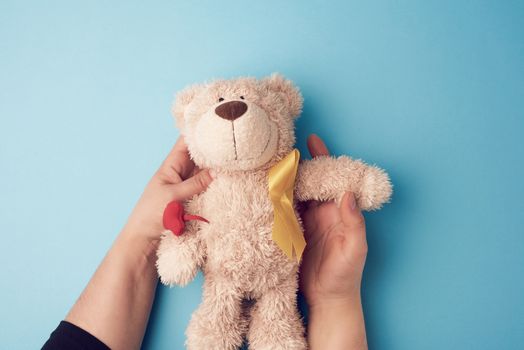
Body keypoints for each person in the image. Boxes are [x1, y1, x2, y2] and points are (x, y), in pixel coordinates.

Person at [42, 134, 369, 350]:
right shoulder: (210, 192)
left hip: (280, 280)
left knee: (278, 326)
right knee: (215, 323)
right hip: (222, 279)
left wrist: (333, 300)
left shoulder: (286, 174)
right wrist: (334, 306)